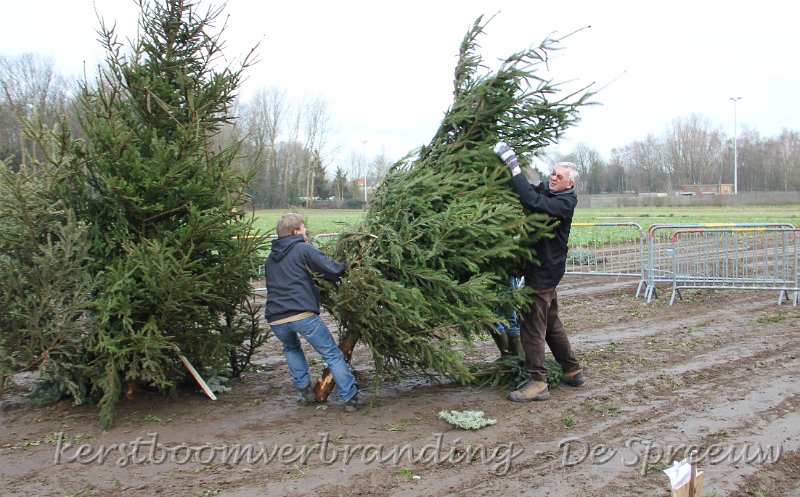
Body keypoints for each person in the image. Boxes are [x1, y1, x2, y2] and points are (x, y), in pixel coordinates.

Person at [493, 142, 586, 402]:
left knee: (532, 324)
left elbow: (531, 199)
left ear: (570, 184)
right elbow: (533, 189)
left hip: (544, 272)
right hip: (547, 269)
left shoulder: (564, 203)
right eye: (553, 173)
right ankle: (572, 370)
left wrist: (513, 165)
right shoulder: (553, 192)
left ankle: (537, 381)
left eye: (560, 177)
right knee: (551, 322)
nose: (554, 178)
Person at [264, 213, 359, 411]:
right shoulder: (303, 249)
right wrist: (348, 263)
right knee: (331, 354)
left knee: (291, 348)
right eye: (303, 227)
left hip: (276, 319)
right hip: (302, 315)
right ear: (295, 231)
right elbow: (332, 270)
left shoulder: (270, 258)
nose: (306, 230)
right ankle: (350, 398)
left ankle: (305, 390)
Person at [489, 275, 525, 358]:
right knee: (490, 317)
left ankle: (519, 358)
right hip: (485, 272)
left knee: (509, 315)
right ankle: (506, 356)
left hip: (508, 272)